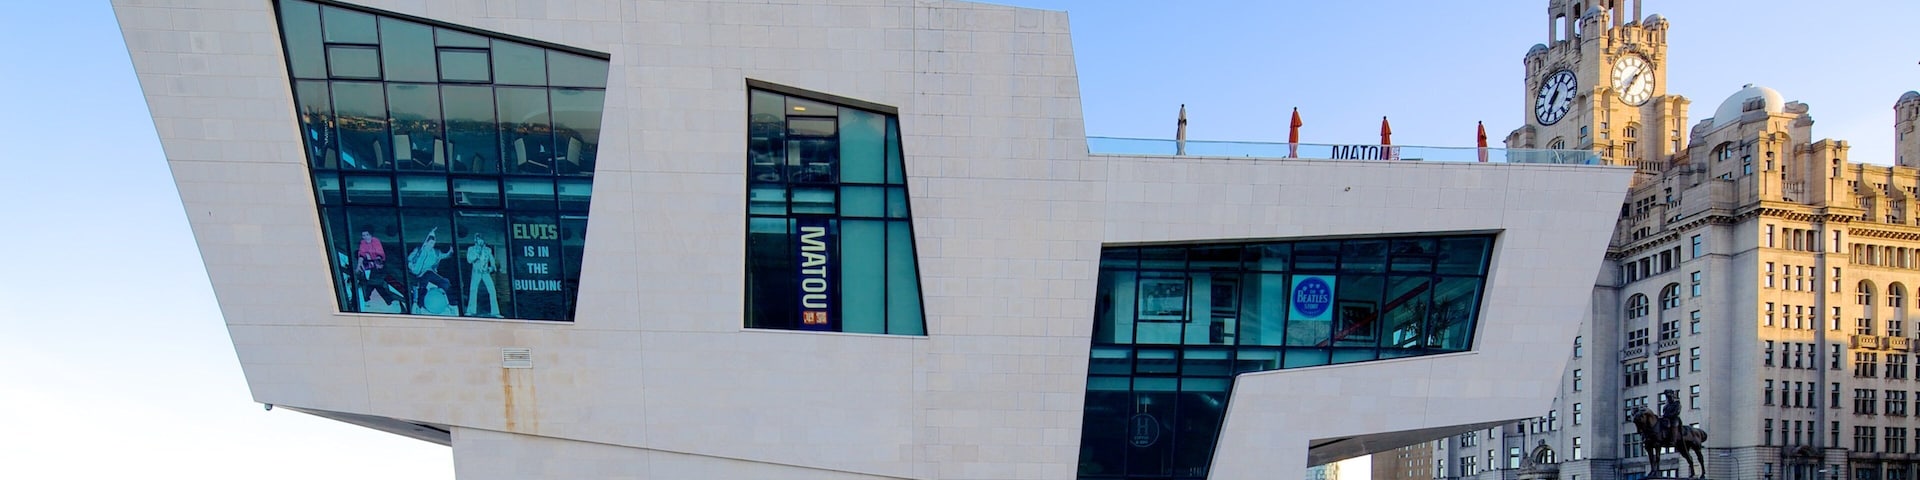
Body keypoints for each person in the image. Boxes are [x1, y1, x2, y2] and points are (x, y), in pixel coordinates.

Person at [407, 227, 454, 313]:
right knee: (422, 287)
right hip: (418, 273)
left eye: (433, 243)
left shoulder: (435, 252)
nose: (431, 245)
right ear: (427, 242)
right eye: (430, 242)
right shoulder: (419, 250)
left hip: (429, 273)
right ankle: (419, 305)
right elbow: (409, 258)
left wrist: (450, 252)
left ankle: (444, 297)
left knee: (445, 282)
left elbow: (444, 256)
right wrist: (410, 264)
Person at [466, 233, 500, 317]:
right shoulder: (471, 249)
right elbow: (469, 260)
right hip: (476, 272)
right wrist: (477, 255)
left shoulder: (488, 250)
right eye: (478, 239)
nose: (480, 241)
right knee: (473, 290)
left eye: (481, 239)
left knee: (492, 290)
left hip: (485, 272)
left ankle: (495, 312)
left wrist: (491, 268)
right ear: (475, 240)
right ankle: (471, 311)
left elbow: (492, 262)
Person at [354, 230, 387, 309]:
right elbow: (361, 254)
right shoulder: (363, 243)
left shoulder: (376, 241)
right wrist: (359, 265)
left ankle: (368, 299)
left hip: (377, 265)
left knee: (375, 284)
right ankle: (367, 299)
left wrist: (375, 263)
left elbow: (379, 255)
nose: (365, 237)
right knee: (373, 285)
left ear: (371, 235)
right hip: (370, 265)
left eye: (367, 235)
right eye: (363, 235)